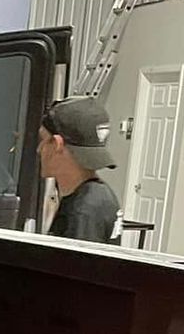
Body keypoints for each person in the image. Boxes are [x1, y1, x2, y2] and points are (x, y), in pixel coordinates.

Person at [38, 96, 123, 244]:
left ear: (57, 145)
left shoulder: (82, 211)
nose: (39, 150)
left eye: (42, 140)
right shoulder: (101, 195)